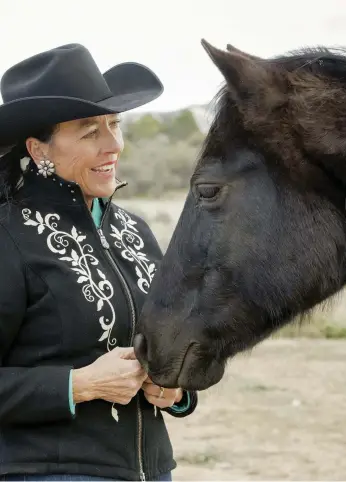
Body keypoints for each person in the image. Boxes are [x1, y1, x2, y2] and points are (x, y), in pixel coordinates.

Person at [0, 43, 198, 481]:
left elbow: (175, 345)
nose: (113, 145)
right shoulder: (7, 237)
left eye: (114, 124)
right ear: (38, 149)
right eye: (89, 131)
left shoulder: (134, 231)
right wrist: (78, 385)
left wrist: (175, 389)